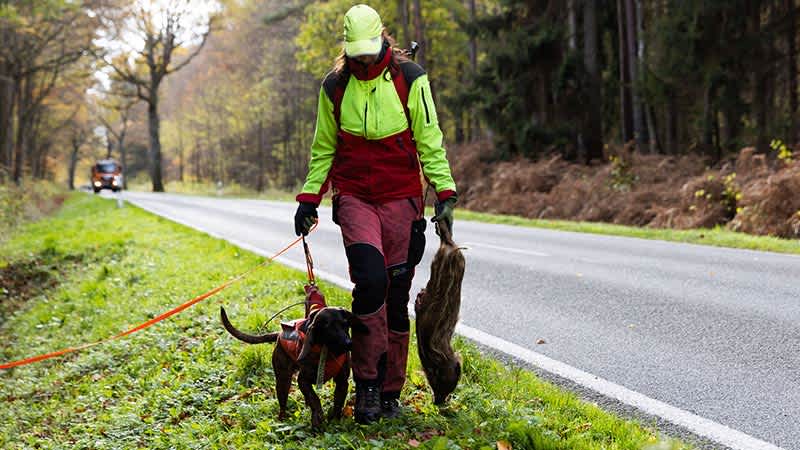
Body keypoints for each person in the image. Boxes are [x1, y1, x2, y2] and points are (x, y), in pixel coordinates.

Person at [293, 4, 457, 424]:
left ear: (382, 39)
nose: (364, 60)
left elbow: (429, 138)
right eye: (356, 53)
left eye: (369, 51)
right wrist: (310, 197)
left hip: (402, 196)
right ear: (347, 48)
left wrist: (444, 193)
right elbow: (324, 147)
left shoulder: (410, 78)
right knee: (370, 282)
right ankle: (366, 384)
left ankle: (390, 390)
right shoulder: (335, 86)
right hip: (356, 197)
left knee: (397, 294)